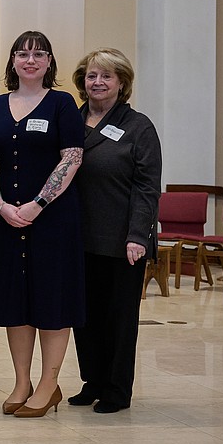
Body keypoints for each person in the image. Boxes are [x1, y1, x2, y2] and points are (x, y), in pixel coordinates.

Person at [0, 31, 85, 418]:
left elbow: (72, 158)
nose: (30, 60)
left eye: (39, 54)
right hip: (8, 218)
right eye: (22, 53)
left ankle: (48, 383)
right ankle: (21, 381)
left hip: (53, 219)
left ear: (49, 62)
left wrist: (38, 203)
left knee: (51, 299)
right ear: (12, 61)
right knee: (16, 300)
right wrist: (2, 205)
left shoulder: (62, 104)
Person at [71, 48, 161, 413]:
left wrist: (138, 236)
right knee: (84, 316)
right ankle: (92, 380)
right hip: (78, 237)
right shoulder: (71, 122)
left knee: (119, 318)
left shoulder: (139, 127)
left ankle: (117, 389)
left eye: (107, 76)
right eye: (92, 76)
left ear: (121, 83)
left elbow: (147, 187)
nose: (98, 82)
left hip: (122, 239)